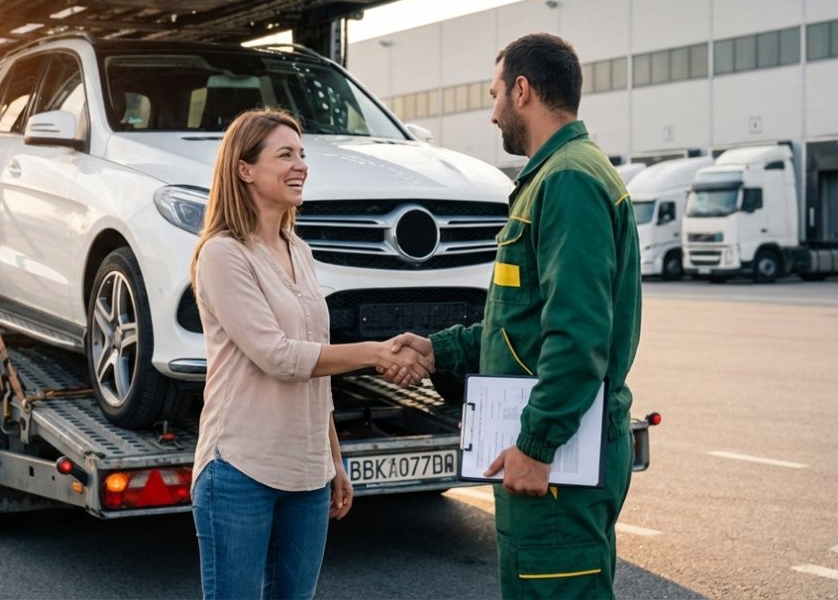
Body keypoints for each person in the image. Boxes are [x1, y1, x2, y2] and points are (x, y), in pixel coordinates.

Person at [387, 33, 641, 599]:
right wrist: (440, 350)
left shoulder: (569, 181)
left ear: (522, 91)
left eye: (496, 93)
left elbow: (578, 337)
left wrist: (537, 445)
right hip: (551, 457)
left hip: (558, 463)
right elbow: (523, 319)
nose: (492, 111)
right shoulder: (552, 177)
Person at [189, 108, 432, 600]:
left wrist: (334, 461)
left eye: (302, 154)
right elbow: (278, 356)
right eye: (285, 155)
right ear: (245, 169)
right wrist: (373, 352)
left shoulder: (298, 248)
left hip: (307, 473)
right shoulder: (223, 254)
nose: (300, 164)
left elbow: (314, 371)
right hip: (240, 467)